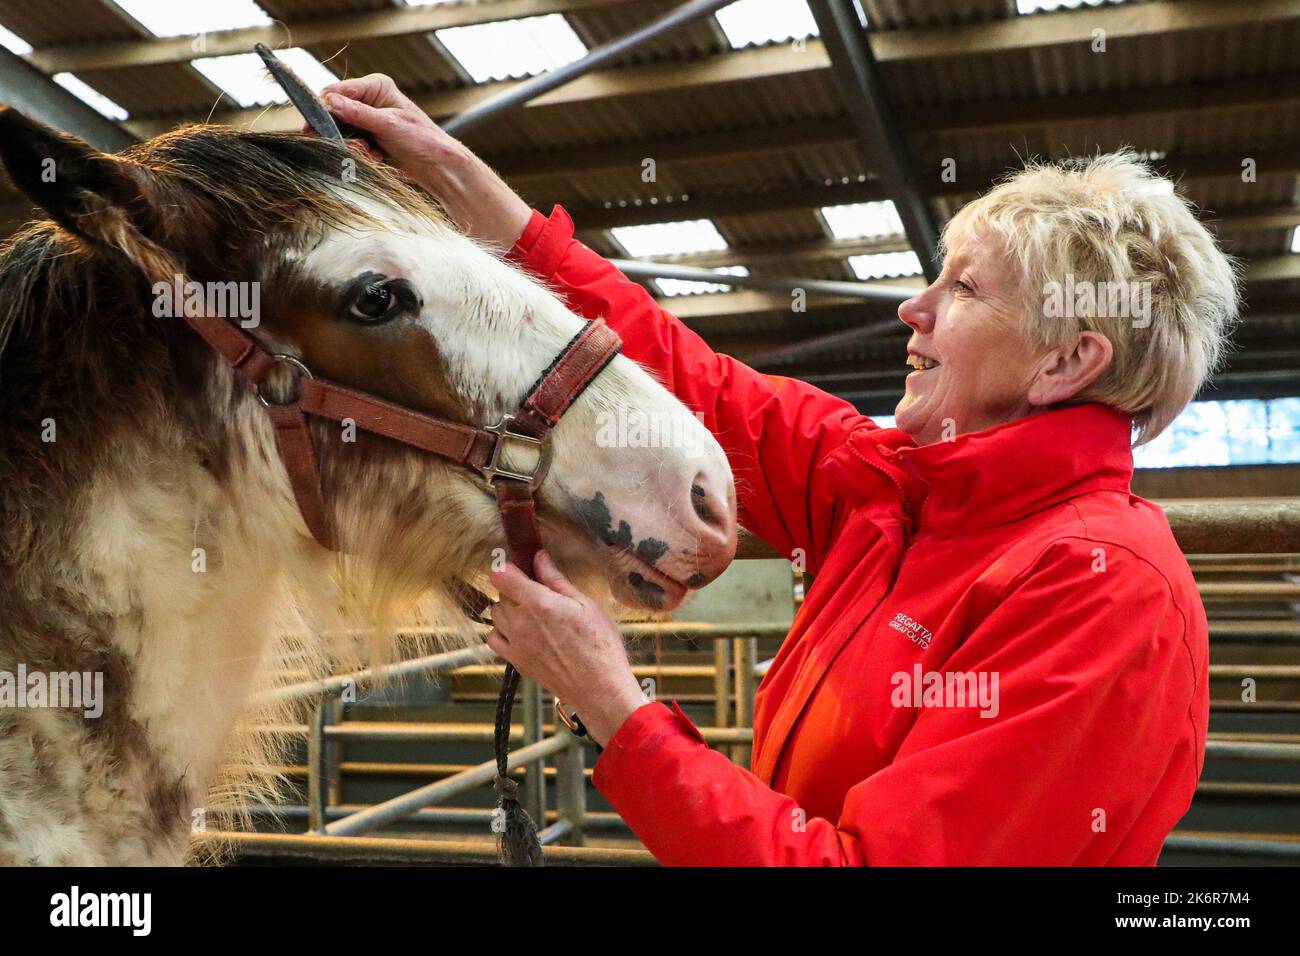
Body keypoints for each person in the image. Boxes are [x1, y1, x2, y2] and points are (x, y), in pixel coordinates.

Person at [320, 74, 1238, 865]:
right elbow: (701, 386)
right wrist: (455, 177)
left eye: (962, 288)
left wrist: (611, 704)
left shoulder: (1104, 592)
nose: (912, 310)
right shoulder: (893, 494)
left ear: (1065, 364)